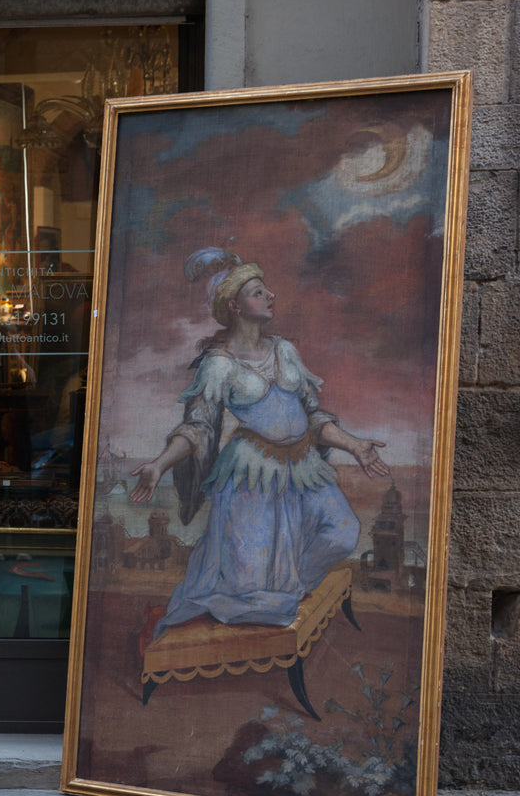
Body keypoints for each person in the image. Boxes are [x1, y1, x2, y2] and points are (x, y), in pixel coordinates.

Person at [129, 260, 388, 639]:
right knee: (252, 589)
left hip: (302, 466)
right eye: (258, 292)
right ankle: (266, 598)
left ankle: (288, 587)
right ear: (234, 307)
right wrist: (159, 464)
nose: (271, 296)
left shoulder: (284, 351)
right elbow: (198, 427)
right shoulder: (219, 365)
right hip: (252, 475)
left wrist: (354, 445)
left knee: (343, 532)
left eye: (266, 290)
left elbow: (313, 415)